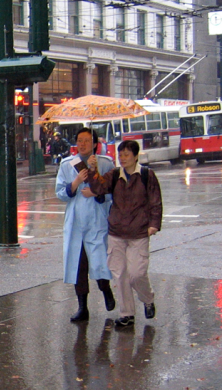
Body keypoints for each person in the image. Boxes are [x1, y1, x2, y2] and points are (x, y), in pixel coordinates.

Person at [86, 139, 163, 328]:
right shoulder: (114, 174)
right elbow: (98, 188)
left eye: (127, 155)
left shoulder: (146, 175)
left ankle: (147, 298)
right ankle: (127, 313)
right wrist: (93, 170)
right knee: (119, 274)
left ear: (136, 156)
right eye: (120, 155)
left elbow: (155, 201)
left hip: (138, 232)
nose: (123, 158)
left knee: (136, 274)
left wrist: (154, 224)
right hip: (116, 232)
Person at [56, 128, 116, 322]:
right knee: (78, 264)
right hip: (76, 220)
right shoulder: (68, 164)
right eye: (79, 140)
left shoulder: (105, 163)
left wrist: (97, 189)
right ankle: (83, 306)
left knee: (99, 260)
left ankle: (105, 290)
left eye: (87, 141)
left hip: (97, 218)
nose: (82, 144)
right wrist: (75, 182)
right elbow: (60, 192)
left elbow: (113, 191)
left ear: (95, 144)